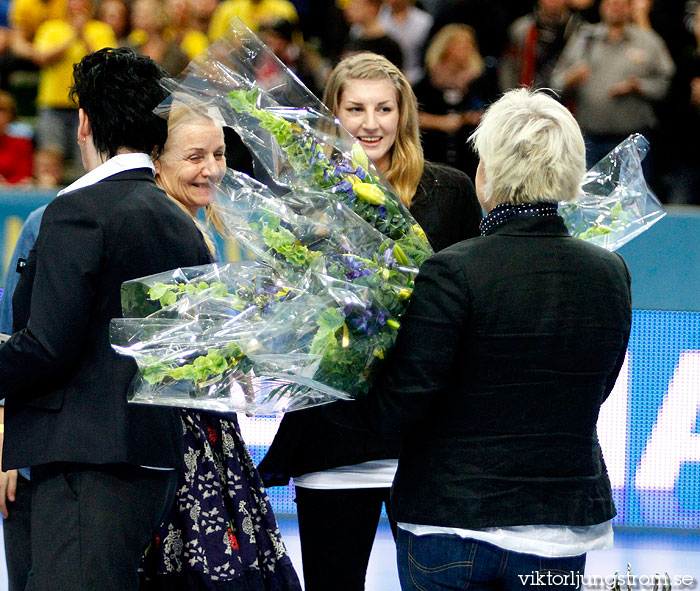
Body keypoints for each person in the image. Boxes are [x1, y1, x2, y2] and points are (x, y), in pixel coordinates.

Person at [325, 87, 633, 590]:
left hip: (452, 521)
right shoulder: (610, 270)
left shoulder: (453, 270)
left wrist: (323, 385)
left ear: (486, 174)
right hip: (559, 529)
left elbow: (402, 405)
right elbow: (598, 386)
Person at [257, 52, 483, 591]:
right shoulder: (304, 196)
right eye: (355, 108)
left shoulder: (450, 192)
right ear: (332, 114)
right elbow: (282, 309)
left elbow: (473, 303)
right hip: (333, 437)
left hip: (425, 445)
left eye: (385, 108)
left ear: (404, 114)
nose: (370, 123)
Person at [0, 47, 212, 590]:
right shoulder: (178, 220)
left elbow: (47, 347)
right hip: (149, 459)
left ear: (84, 123)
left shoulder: (77, 211)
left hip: (84, 464)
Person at [140, 106, 302, 590]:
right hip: (174, 441)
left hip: (209, 431)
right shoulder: (157, 227)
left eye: (218, 154)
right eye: (194, 156)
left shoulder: (199, 228)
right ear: (157, 161)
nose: (210, 168)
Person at [550, 0, 675, 171]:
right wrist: (571, 78)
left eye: (621, 3)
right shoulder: (584, 38)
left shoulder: (648, 41)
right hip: (588, 141)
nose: (615, 6)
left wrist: (639, 86)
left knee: (632, 196)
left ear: (630, 8)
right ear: (601, 6)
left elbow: (667, 84)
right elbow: (555, 82)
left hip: (632, 142)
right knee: (587, 196)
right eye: (610, 2)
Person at [31, 0, 117, 181]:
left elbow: (107, 64)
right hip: (53, 104)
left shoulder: (101, 30)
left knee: (87, 161)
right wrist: (72, 36)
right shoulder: (51, 27)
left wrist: (84, 36)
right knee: (49, 158)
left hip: (89, 107)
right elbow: (40, 57)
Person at [414, 24, 499, 179]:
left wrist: (473, 118)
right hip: (432, 154)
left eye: (469, 45)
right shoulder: (427, 82)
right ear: (445, 47)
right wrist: (441, 122)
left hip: (469, 157)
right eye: (459, 45)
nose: (465, 49)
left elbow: (495, 110)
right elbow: (413, 116)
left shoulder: (481, 80)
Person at [498, 0, 585, 92]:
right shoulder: (522, 28)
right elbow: (507, 67)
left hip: (562, 96)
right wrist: (509, 95)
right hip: (524, 93)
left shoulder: (578, 31)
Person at [0, 90, 33, 184]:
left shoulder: (21, 144)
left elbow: (25, 176)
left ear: (11, 116)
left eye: (3, 111)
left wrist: (6, 183)